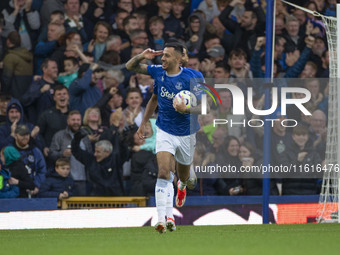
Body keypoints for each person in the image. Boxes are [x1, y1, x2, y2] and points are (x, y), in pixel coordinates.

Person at [126, 43, 204, 233]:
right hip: (165, 130)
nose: (162, 59)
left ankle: (182, 184)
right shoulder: (158, 72)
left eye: (167, 56)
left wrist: (187, 109)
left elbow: (203, 106)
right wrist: (142, 55)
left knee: (184, 176)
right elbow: (131, 68)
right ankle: (163, 219)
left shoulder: (193, 77)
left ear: (178, 59)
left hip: (187, 132)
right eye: (163, 55)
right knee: (163, 173)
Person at [49, 110, 92, 196]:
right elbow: (51, 154)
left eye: (78, 120)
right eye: (73, 120)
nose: (76, 122)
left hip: (84, 179)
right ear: (68, 121)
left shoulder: (85, 136)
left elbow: (90, 155)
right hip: (66, 179)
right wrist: (62, 154)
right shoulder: (59, 135)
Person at [21, 58, 60, 124]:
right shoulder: (37, 85)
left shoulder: (58, 85)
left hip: (55, 123)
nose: (56, 70)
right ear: (44, 69)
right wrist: (41, 91)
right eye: (53, 68)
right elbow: (25, 100)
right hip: (40, 124)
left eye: (56, 68)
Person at [12, 124, 47, 195]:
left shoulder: (36, 151)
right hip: (13, 190)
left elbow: (42, 170)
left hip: (32, 190)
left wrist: (36, 186)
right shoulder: (9, 151)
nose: (25, 137)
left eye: (27, 135)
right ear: (15, 136)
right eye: (22, 135)